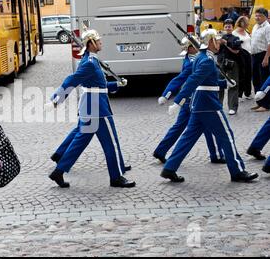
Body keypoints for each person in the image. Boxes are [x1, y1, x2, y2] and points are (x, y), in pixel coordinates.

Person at [161, 29, 259, 183]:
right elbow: (193, 81)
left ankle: (169, 168)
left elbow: (206, 81)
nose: (220, 42)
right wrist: (178, 101)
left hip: (199, 104)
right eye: (217, 40)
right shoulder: (207, 59)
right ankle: (238, 171)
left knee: (187, 139)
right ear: (211, 42)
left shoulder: (202, 57)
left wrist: (223, 84)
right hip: (209, 104)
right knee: (227, 137)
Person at [47, 29, 135, 188]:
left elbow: (98, 86)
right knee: (111, 143)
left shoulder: (91, 60)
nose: (101, 42)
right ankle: (116, 177)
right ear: (91, 44)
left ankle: (58, 171)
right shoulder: (89, 63)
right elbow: (71, 80)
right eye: (98, 41)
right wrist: (55, 99)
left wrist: (116, 85)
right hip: (98, 109)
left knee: (79, 143)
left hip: (90, 106)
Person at [154, 36, 225, 164]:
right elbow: (180, 80)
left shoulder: (192, 59)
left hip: (189, 100)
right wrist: (166, 95)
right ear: (191, 48)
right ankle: (217, 155)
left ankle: (161, 150)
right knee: (208, 127)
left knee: (179, 127)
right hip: (194, 99)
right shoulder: (194, 62)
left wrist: (224, 83)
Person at [218, 19, 242, 115]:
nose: (228, 28)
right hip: (221, 63)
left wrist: (226, 43)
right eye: (226, 26)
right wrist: (217, 43)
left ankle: (233, 107)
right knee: (219, 84)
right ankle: (218, 106)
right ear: (223, 27)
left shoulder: (236, 38)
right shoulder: (220, 37)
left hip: (232, 63)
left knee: (233, 84)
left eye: (229, 26)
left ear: (233, 27)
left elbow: (236, 51)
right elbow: (216, 51)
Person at [250, 8, 270, 112]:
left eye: (260, 16)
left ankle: (266, 105)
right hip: (254, 56)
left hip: (263, 56)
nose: (257, 17)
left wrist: (266, 58)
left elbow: (269, 44)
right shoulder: (255, 26)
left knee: (264, 80)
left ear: (266, 16)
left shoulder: (267, 27)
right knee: (256, 80)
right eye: (256, 15)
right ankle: (259, 102)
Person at [233, 16, 253, 100]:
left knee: (248, 74)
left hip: (249, 55)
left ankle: (248, 93)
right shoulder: (234, 33)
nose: (248, 24)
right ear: (241, 23)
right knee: (241, 75)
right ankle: (239, 94)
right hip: (240, 56)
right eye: (246, 22)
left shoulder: (246, 31)